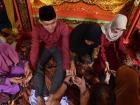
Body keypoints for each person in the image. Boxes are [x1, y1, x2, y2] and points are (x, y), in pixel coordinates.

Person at [29, 5, 70, 104]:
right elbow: (34, 48)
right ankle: (39, 96)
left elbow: (65, 48)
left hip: (58, 48)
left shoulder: (63, 27)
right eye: (46, 24)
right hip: (46, 47)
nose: (51, 27)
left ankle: (52, 96)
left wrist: (67, 66)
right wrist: (31, 66)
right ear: (41, 22)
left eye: (53, 23)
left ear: (56, 19)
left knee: (62, 66)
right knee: (36, 64)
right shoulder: (36, 29)